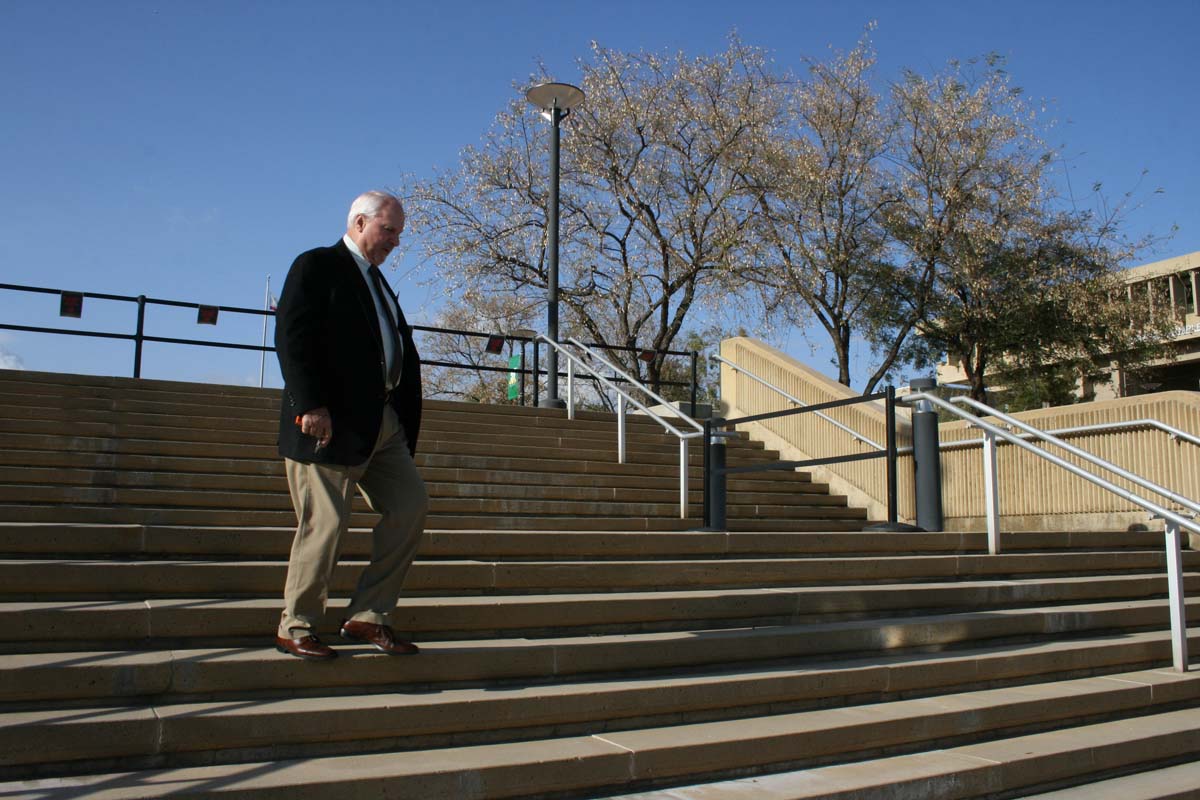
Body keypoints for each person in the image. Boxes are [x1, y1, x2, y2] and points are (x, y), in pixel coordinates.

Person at [272, 190, 427, 661]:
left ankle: (369, 615)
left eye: (400, 233)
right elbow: (292, 335)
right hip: (328, 421)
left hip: (382, 424)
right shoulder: (317, 265)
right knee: (328, 522)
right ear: (360, 223)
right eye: (389, 230)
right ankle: (296, 624)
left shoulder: (378, 283)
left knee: (410, 506)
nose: (396, 241)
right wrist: (311, 404)